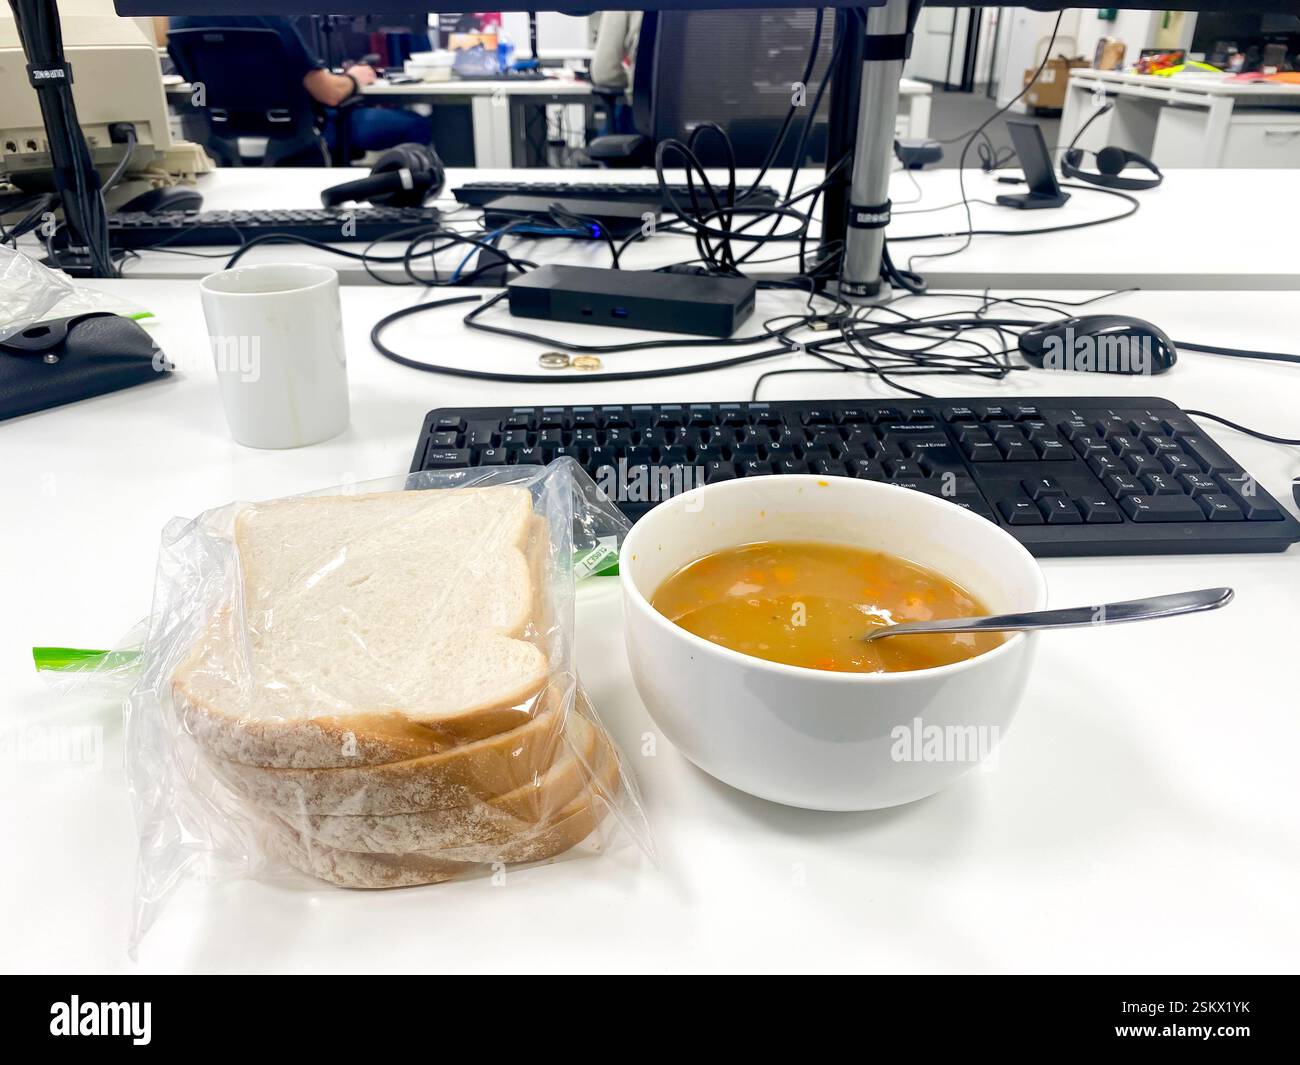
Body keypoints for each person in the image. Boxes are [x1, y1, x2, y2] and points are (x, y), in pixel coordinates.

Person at [168, 15, 432, 163]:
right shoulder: (269, 18)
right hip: (298, 139)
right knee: (416, 126)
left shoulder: (178, 20)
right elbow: (329, 93)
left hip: (225, 144)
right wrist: (355, 78)